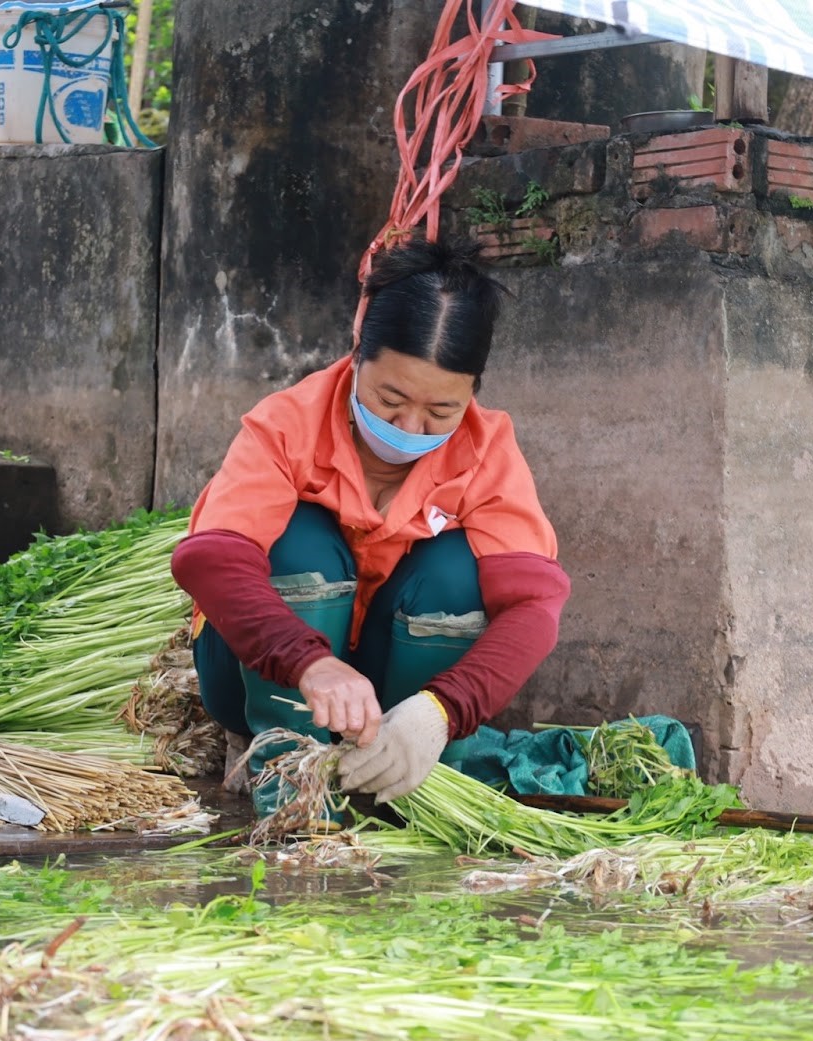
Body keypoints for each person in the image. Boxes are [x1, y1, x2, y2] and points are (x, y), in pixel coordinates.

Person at [170, 236, 571, 815]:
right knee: (300, 537)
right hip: (262, 670)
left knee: (459, 569)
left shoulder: (487, 451)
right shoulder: (288, 425)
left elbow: (535, 608)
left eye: (441, 412)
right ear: (359, 352)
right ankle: (289, 776)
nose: (410, 426)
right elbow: (208, 559)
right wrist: (310, 663)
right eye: (390, 399)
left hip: (390, 689)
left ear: (472, 393)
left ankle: (400, 767)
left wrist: (440, 711)